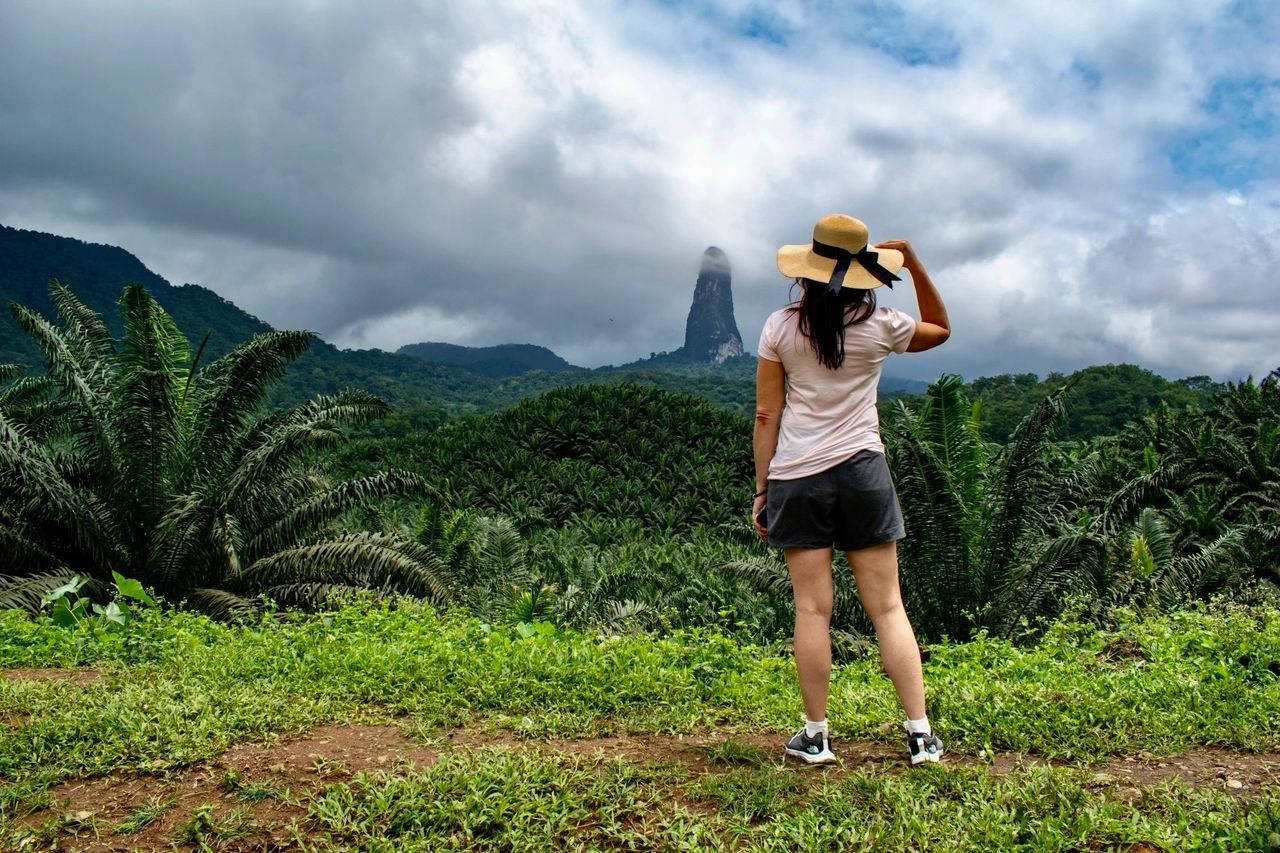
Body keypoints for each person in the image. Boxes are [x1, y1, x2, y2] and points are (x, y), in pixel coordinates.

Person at [752, 213, 950, 766]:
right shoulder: (884, 324)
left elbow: (767, 412)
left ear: (807, 270)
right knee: (888, 607)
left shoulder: (780, 327)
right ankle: (920, 734)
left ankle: (816, 736)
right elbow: (941, 327)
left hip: (797, 476)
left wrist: (762, 490)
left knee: (812, 611)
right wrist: (912, 263)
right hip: (864, 472)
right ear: (865, 270)